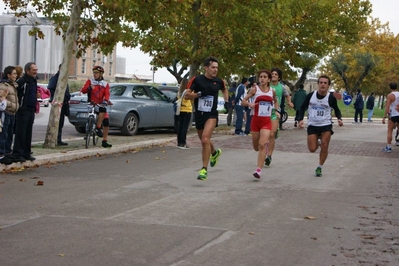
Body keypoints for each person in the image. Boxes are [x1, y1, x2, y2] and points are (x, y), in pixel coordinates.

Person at [184, 56, 229, 180]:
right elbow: (186, 96)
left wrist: (226, 102)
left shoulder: (219, 81)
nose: (215, 70)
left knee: (205, 139)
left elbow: (225, 90)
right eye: (213, 67)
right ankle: (214, 153)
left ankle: (204, 169)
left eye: (217, 68)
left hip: (212, 115)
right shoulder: (197, 80)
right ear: (206, 68)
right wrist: (199, 94)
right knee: (205, 141)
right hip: (199, 114)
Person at [298, 75, 343, 177]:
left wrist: (339, 119)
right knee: (312, 149)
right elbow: (302, 107)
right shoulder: (310, 96)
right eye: (321, 82)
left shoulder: (331, 98)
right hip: (313, 125)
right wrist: (300, 119)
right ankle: (318, 142)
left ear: (328, 85)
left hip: (325, 124)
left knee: (325, 145)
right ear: (318, 84)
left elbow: (336, 109)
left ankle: (319, 167)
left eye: (325, 83)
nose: (323, 84)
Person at [242, 70, 279, 179]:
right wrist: (249, 103)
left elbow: (275, 101)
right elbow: (242, 101)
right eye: (261, 77)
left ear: (268, 79)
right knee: (256, 147)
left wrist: (277, 111)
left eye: (264, 77)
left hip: (266, 121)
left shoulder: (272, 91)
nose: (262, 79)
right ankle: (263, 146)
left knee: (262, 144)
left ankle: (258, 170)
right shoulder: (254, 90)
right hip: (255, 121)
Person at [10, 62, 39, 162]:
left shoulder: (33, 81)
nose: (35, 72)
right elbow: (15, 93)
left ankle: (26, 153)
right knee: (21, 132)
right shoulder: (22, 81)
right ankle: (18, 153)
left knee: (28, 132)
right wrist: (20, 106)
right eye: (33, 70)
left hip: (31, 110)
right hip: (23, 110)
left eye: (36, 70)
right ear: (27, 71)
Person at [266, 67, 293, 166]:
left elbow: (287, 95)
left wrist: (289, 102)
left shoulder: (281, 87)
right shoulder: (266, 85)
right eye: (272, 73)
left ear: (279, 77)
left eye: (275, 74)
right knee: (265, 135)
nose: (273, 75)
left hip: (275, 113)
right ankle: (265, 147)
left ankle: (269, 156)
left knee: (272, 134)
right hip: (264, 113)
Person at [80, 66, 112, 148]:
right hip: (91, 103)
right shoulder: (90, 81)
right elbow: (83, 90)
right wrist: (89, 88)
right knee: (91, 116)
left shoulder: (105, 84)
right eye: (94, 73)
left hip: (100, 104)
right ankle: (91, 128)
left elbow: (107, 94)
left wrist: (106, 100)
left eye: (96, 73)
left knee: (106, 122)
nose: (95, 74)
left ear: (101, 74)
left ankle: (104, 140)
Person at [48, 64, 71, 146]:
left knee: (61, 123)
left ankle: (58, 139)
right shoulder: (56, 78)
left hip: (64, 104)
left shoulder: (63, 78)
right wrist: (57, 97)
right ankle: (56, 139)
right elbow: (50, 88)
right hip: (58, 104)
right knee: (57, 122)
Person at [0, 66, 19, 165]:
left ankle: (7, 152)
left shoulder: (13, 85)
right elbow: (2, 98)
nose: (16, 75)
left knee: (9, 134)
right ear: (8, 75)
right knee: (4, 134)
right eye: (14, 73)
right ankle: (2, 154)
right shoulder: (4, 85)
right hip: (5, 112)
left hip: (12, 113)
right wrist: (10, 105)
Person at [381, 83, 399, 152]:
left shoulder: (390, 95)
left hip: (393, 114)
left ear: (390, 87)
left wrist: (384, 116)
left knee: (390, 130)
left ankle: (388, 147)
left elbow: (387, 107)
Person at [176, 78, 192, 149]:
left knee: (180, 127)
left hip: (180, 110)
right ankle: (183, 142)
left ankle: (179, 142)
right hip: (187, 110)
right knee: (185, 127)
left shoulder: (179, 92)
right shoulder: (187, 91)